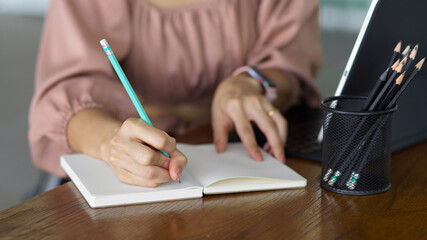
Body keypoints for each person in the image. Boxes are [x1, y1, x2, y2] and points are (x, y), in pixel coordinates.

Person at [29, 0, 322, 188]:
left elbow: (291, 56)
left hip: (241, 146)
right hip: (127, 157)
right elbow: (65, 92)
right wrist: (111, 143)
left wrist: (250, 83)